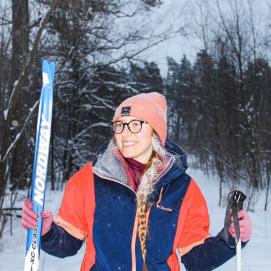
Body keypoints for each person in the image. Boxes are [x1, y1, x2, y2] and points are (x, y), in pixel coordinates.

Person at [22, 92, 252, 271]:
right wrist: (46, 231)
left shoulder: (183, 190)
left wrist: (230, 239)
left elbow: (196, 259)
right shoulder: (90, 179)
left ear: (156, 133)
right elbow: (68, 243)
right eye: (120, 125)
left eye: (135, 125)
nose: (125, 133)